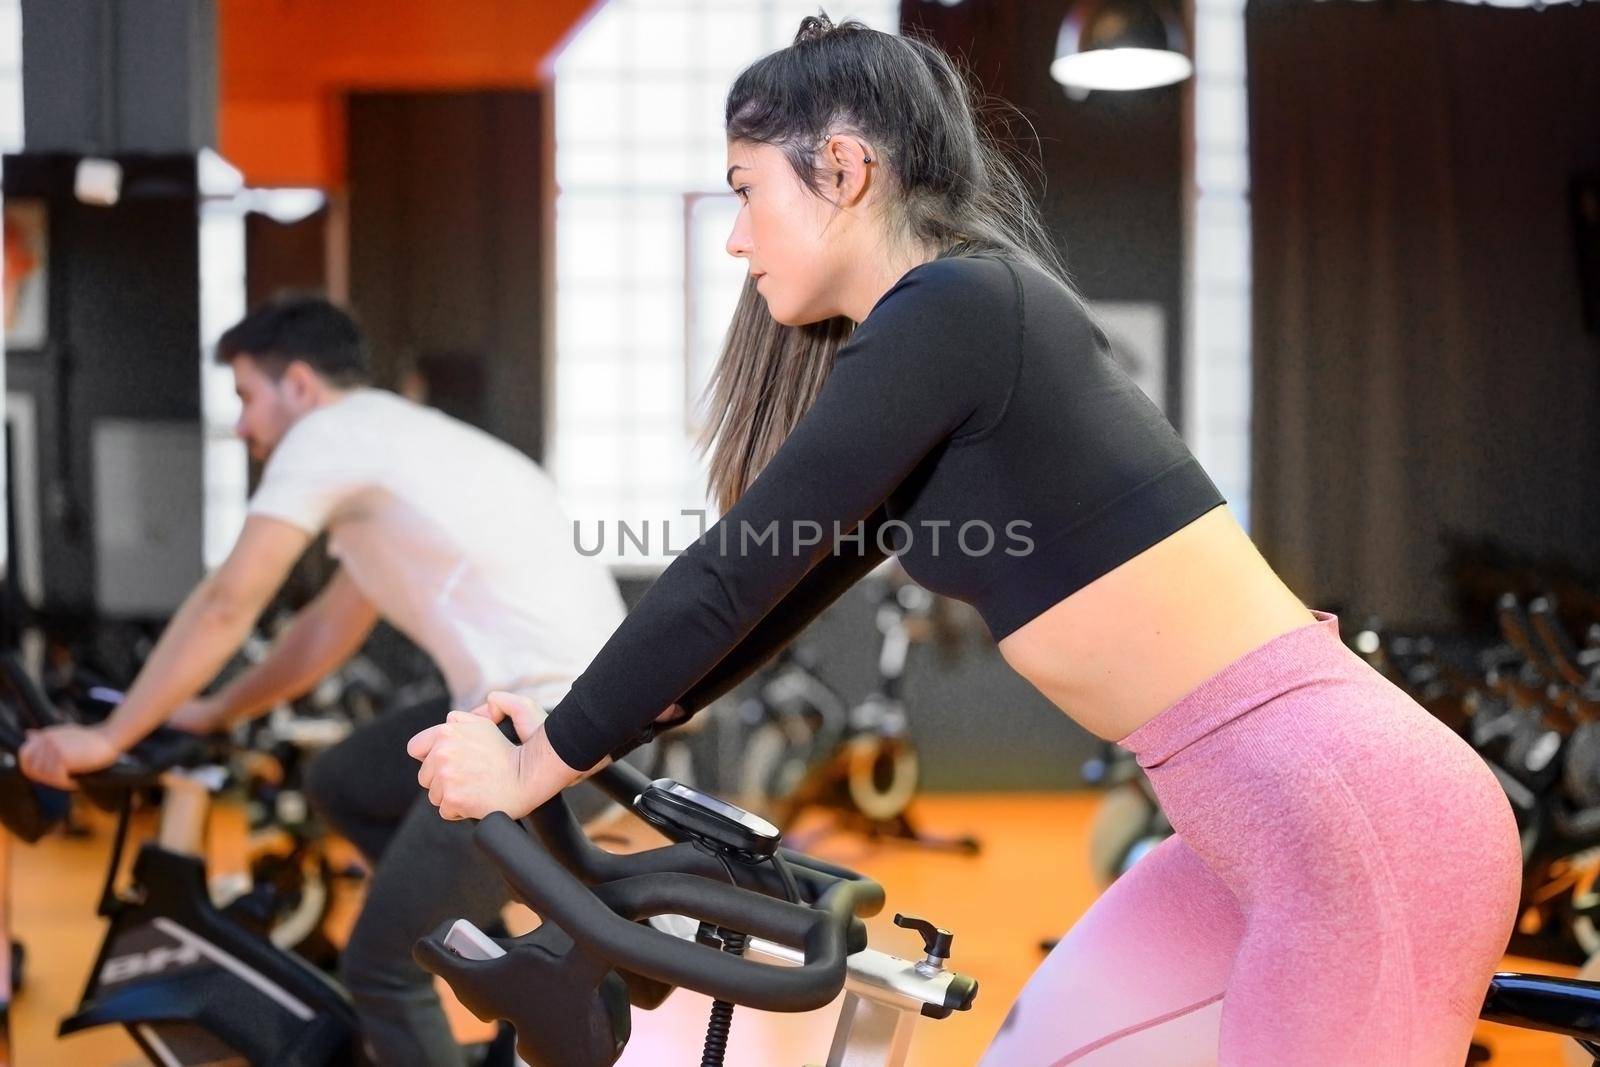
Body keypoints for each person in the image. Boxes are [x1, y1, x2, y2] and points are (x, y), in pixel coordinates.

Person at [408, 15, 1522, 1067]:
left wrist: (535, 765)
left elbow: (729, 569)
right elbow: (767, 597)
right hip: (1244, 829)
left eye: (748, 190)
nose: (738, 235)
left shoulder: (961, 306)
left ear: (843, 169)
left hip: (1352, 820)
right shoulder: (935, 342)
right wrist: (569, 740)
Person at [19, 295, 639, 1066]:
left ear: (301, 386)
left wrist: (111, 733)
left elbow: (225, 602)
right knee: (345, 779)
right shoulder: (387, 443)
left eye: (247, 396)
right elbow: (323, 629)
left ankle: (473, 949)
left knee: (381, 966)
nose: (242, 426)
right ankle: (506, 953)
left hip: (547, 721)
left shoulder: (329, 435)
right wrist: (212, 709)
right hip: (563, 704)